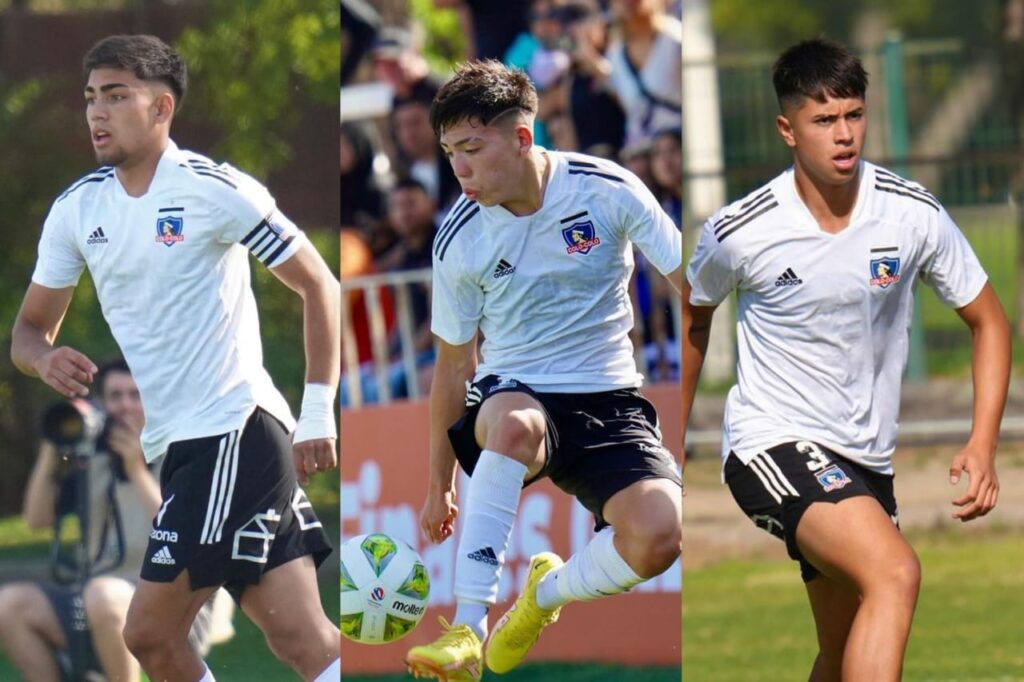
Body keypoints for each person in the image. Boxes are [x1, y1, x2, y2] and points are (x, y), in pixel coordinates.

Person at [10, 35, 341, 682]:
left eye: (115, 96)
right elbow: (27, 331)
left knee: (148, 633)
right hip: (178, 447)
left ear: (161, 108)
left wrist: (320, 411)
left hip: (234, 430)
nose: (96, 113)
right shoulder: (79, 210)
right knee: (302, 638)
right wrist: (41, 360)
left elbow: (319, 284)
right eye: (89, 98)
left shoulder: (212, 188)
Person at [681, 38, 1010, 682]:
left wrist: (982, 442)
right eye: (823, 120)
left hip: (865, 459)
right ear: (787, 129)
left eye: (854, 115)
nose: (844, 134)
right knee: (895, 572)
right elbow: (694, 318)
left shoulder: (911, 213)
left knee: (841, 652)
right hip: (770, 444)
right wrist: (668, 446)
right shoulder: (739, 230)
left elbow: (988, 321)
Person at [404, 59, 683, 680]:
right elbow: (455, 367)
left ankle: (542, 597)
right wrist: (438, 484)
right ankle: (466, 627)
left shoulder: (605, 189)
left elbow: (689, 281)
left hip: (609, 398)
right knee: (515, 426)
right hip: (514, 391)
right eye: (450, 152)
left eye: (473, 148)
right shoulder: (460, 238)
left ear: (523, 137)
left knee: (661, 536)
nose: (461, 169)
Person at [0, 360, 232, 682]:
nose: (125, 406)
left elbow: (182, 536)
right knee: (10, 606)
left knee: (103, 595)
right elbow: (36, 520)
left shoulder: (180, 457)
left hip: (172, 603)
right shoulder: (91, 464)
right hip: (96, 599)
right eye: (115, 396)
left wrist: (136, 470)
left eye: (135, 396)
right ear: (102, 404)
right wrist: (51, 451)